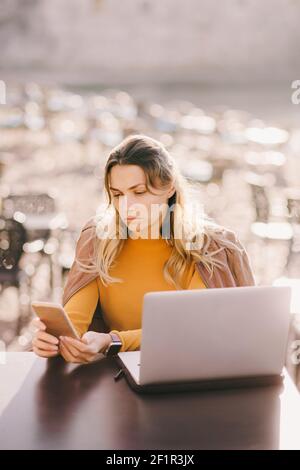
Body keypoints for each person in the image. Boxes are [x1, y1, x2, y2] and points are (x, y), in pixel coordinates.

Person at [32, 134, 255, 363]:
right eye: (117, 194)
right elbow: (75, 323)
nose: (126, 206)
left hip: (191, 375)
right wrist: (57, 341)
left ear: (169, 188)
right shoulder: (98, 239)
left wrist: (113, 341)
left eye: (139, 192)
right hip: (118, 381)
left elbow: (191, 329)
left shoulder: (209, 248)